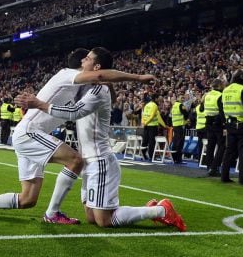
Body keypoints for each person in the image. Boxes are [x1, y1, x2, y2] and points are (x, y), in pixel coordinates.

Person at [0, 47, 154, 224]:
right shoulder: (67, 75)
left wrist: (108, 85)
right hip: (30, 133)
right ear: (82, 64)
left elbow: (103, 83)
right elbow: (99, 76)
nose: (87, 61)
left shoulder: (81, 86)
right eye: (86, 58)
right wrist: (138, 78)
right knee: (75, 160)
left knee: (27, 199)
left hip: (28, 134)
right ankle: (52, 214)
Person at [15, 48, 185, 231]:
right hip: (89, 162)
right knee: (91, 217)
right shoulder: (85, 87)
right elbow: (104, 85)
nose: (82, 61)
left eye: (87, 58)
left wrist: (40, 104)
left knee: (104, 220)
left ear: (96, 67)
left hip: (100, 159)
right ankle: (151, 208)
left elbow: (75, 112)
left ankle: (161, 211)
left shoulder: (98, 90)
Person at [220, 69, 243, 185]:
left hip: (230, 124)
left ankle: (224, 176)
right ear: (242, 77)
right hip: (242, 125)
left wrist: (225, 124)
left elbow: (221, 109)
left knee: (229, 151)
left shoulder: (226, 90)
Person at [201, 79, 225, 177]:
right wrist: (224, 124)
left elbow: (202, 109)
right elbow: (222, 111)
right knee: (222, 146)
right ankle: (214, 168)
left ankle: (209, 167)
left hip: (208, 122)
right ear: (219, 85)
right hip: (217, 123)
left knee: (210, 146)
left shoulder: (207, 95)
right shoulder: (220, 95)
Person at [141, 96, 165, 161]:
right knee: (152, 141)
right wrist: (165, 126)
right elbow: (155, 117)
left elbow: (143, 115)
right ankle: (151, 156)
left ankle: (143, 154)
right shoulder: (154, 105)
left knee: (145, 140)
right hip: (152, 126)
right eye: (158, 100)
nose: (159, 102)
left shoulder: (146, 105)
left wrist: (144, 123)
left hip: (146, 125)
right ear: (155, 99)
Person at [170, 98, 188, 164]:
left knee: (175, 142)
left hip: (175, 125)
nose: (183, 99)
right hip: (180, 125)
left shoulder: (173, 106)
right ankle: (178, 159)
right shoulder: (180, 105)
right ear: (179, 99)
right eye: (182, 98)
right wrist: (186, 121)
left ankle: (174, 157)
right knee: (180, 143)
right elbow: (186, 114)